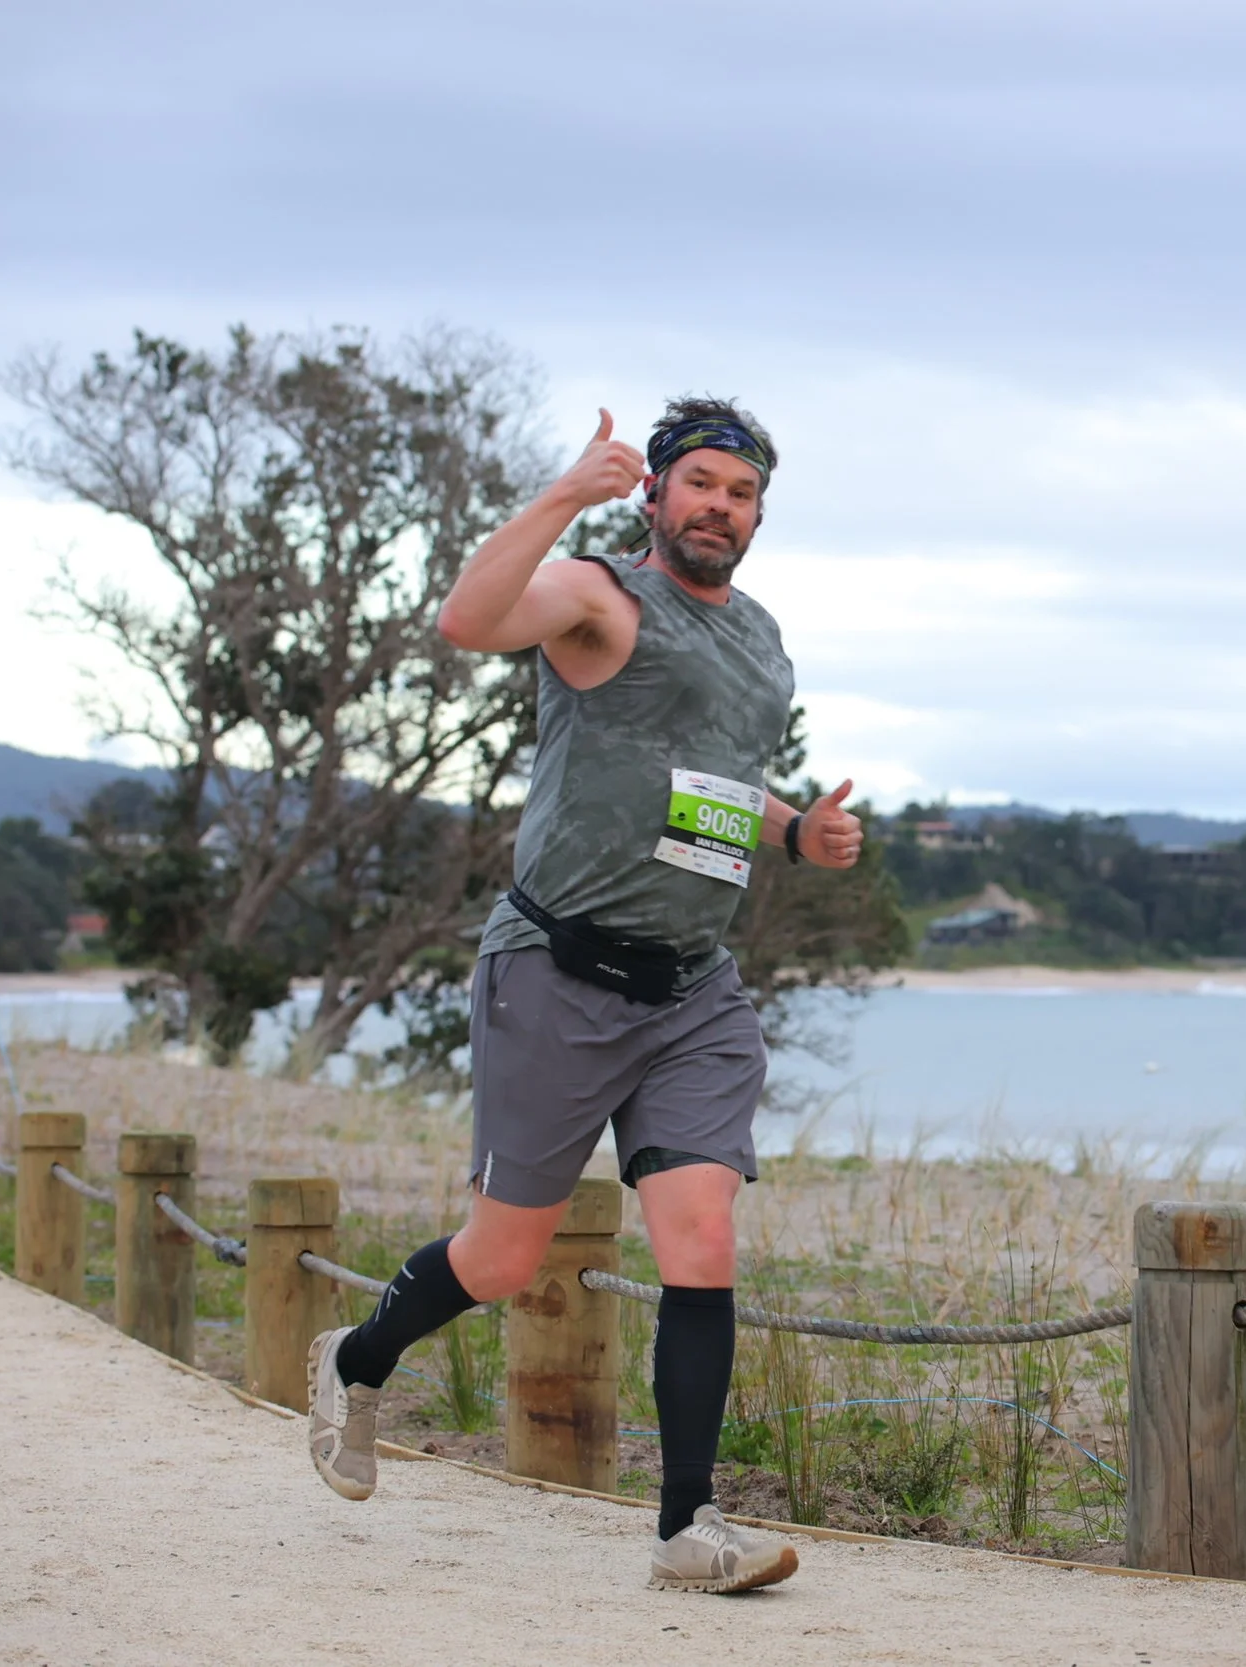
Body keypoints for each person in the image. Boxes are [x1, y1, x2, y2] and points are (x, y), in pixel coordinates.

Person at [302, 395, 868, 1597]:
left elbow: (710, 787)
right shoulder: (597, 595)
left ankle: (686, 1524)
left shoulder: (761, 636)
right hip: (556, 972)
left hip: (692, 994)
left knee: (700, 1238)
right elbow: (467, 619)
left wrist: (794, 833)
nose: (722, 505)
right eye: (701, 482)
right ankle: (355, 1356)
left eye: (744, 490)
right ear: (656, 493)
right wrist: (564, 490)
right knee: (505, 1256)